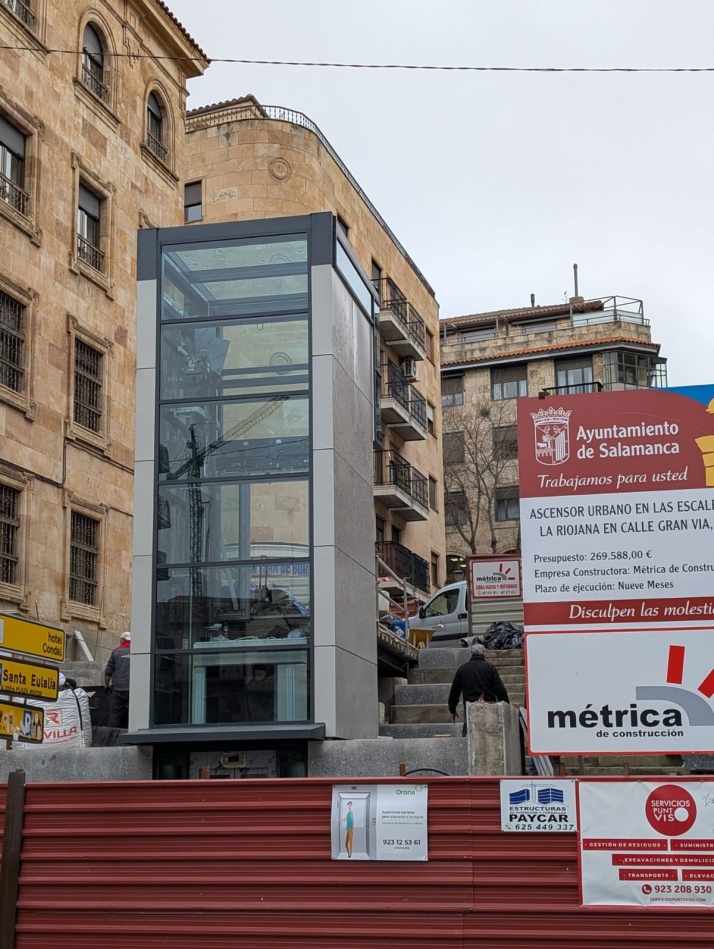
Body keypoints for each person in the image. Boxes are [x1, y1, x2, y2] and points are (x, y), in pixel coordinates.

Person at [448, 642, 509, 735]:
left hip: (470, 706)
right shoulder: (490, 667)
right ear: (483, 653)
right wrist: (506, 704)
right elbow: (500, 689)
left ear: (471, 653)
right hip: (488, 705)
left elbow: (455, 691)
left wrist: (452, 709)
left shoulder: (463, 669)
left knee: (469, 732)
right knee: (489, 732)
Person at [105, 631, 131, 729]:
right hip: (133, 689)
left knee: (115, 713)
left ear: (122, 640)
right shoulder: (137, 651)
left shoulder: (116, 652)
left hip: (119, 688)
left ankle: (111, 735)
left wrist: (106, 686)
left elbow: (108, 671)